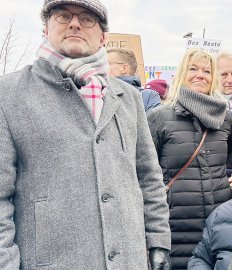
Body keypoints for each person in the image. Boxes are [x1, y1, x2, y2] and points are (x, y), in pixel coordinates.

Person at [0, 0, 171, 269]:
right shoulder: (9, 94)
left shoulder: (128, 97)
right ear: (45, 28)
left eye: (87, 18)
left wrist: (158, 240)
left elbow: (148, 176)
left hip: (129, 258)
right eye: (63, 15)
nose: (75, 23)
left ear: (103, 36)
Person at [147, 48, 232, 270]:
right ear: (182, 73)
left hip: (219, 219)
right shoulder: (158, 117)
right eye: (193, 69)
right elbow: (144, 172)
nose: (200, 75)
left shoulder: (225, 118)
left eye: (207, 70)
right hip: (176, 223)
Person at [107, 48, 161, 112]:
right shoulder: (99, 92)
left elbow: (151, 121)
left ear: (124, 68)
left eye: (106, 63)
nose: (101, 67)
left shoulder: (147, 96)